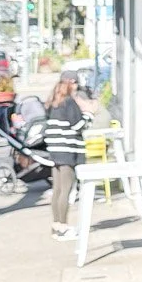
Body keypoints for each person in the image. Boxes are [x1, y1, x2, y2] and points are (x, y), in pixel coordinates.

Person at [42, 74, 88, 238]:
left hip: (55, 151)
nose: (76, 87)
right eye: (75, 83)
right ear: (70, 84)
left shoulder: (53, 102)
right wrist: (88, 116)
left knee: (57, 189)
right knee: (66, 190)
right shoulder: (69, 102)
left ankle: (56, 225)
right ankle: (63, 226)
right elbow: (78, 125)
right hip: (68, 150)